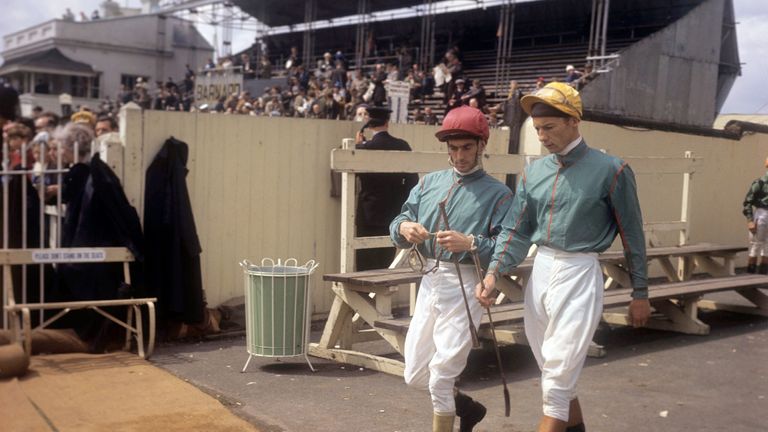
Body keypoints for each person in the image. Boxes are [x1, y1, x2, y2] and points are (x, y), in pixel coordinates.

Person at [476, 82, 651, 432]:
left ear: (574, 121)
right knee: (554, 373)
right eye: (538, 129)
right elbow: (515, 230)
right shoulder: (533, 172)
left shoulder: (611, 170)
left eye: (549, 127)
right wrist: (494, 272)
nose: (542, 136)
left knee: (557, 380)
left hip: (580, 273)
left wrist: (640, 293)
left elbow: (632, 235)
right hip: (540, 272)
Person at [390, 105, 513, 432]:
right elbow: (399, 220)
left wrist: (471, 242)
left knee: (442, 374)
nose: (459, 156)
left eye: (467, 148)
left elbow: (506, 249)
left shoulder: (499, 195)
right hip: (429, 280)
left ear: (482, 145)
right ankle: (469, 409)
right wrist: (404, 229)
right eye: (453, 148)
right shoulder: (429, 183)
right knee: (415, 374)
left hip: (467, 284)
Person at [354, 106, 418, 270]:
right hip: (393, 210)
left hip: (369, 210)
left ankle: (365, 295)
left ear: (369, 124)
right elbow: (412, 180)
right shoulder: (402, 145)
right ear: (387, 123)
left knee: (365, 262)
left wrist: (359, 145)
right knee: (386, 260)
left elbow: (358, 176)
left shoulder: (364, 148)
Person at [742, 158, 768, 273]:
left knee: (767, 247)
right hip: (761, 214)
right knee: (755, 245)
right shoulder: (759, 183)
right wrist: (750, 220)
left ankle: (763, 275)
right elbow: (748, 202)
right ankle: (750, 276)